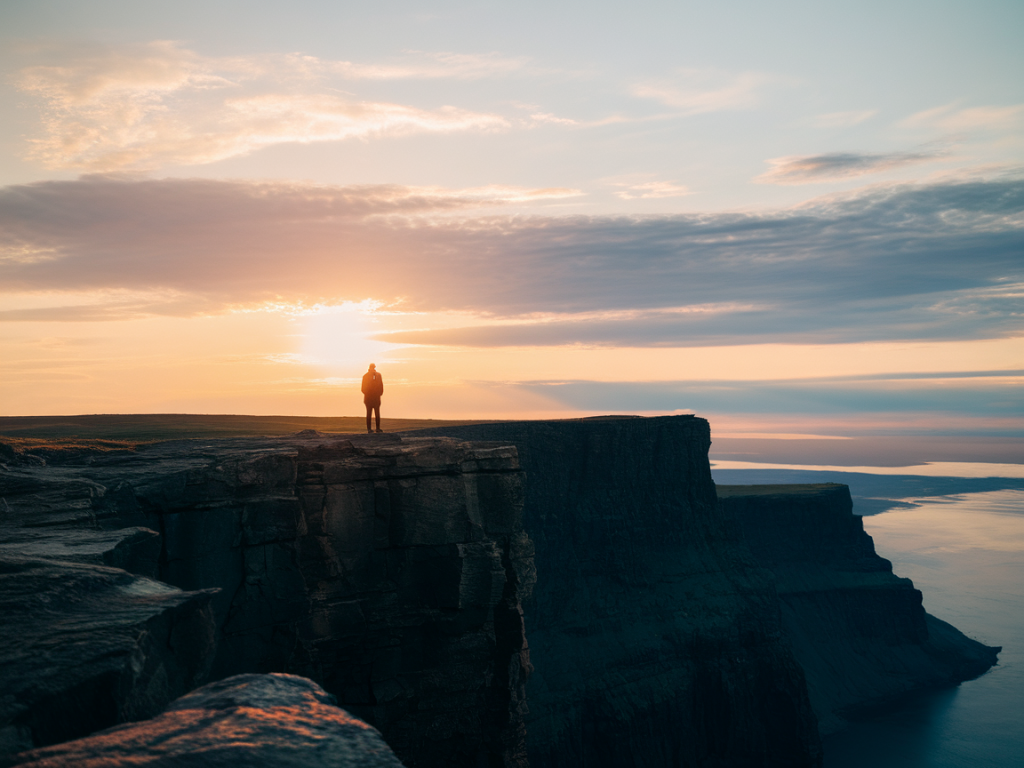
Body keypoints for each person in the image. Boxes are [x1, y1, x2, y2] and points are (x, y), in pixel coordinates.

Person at [361, 363, 384, 433]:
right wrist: (369, 393)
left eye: (374, 367)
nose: (373, 368)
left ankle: (378, 428)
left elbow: (381, 385)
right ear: (369, 368)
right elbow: (363, 389)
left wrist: (379, 394)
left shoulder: (378, 375)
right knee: (369, 414)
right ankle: (369, 429)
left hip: (376, 398)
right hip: (368, 399)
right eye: (372, 367)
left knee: (377, 413)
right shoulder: (365, 376)